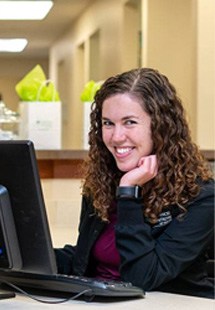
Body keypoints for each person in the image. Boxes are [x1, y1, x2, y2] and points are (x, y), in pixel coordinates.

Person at [55, 68, 214, 299]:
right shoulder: (101, 184)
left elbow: (143, 277)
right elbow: (86, 258)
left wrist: (129, 193)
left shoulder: (201, 197)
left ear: (161, 126)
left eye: (129, 122)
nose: (116, 136)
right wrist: (24, 256)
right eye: (108, 123)